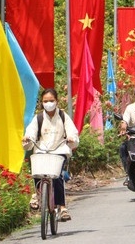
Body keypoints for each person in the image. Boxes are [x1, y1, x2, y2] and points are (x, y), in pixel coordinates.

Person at [23, 88, 79, 222]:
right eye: (45, 101)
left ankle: (62, 207)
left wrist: (71, 138)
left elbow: (72, 132)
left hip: (59, 150)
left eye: (51, 100)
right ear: (42, 103)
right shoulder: (38, 118)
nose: (48, 104)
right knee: (37, 173)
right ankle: (37, 195)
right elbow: (31, 132)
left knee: (58, 176)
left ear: (57, 101)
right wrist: (27, 138)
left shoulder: (63, 116)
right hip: (42, 151)